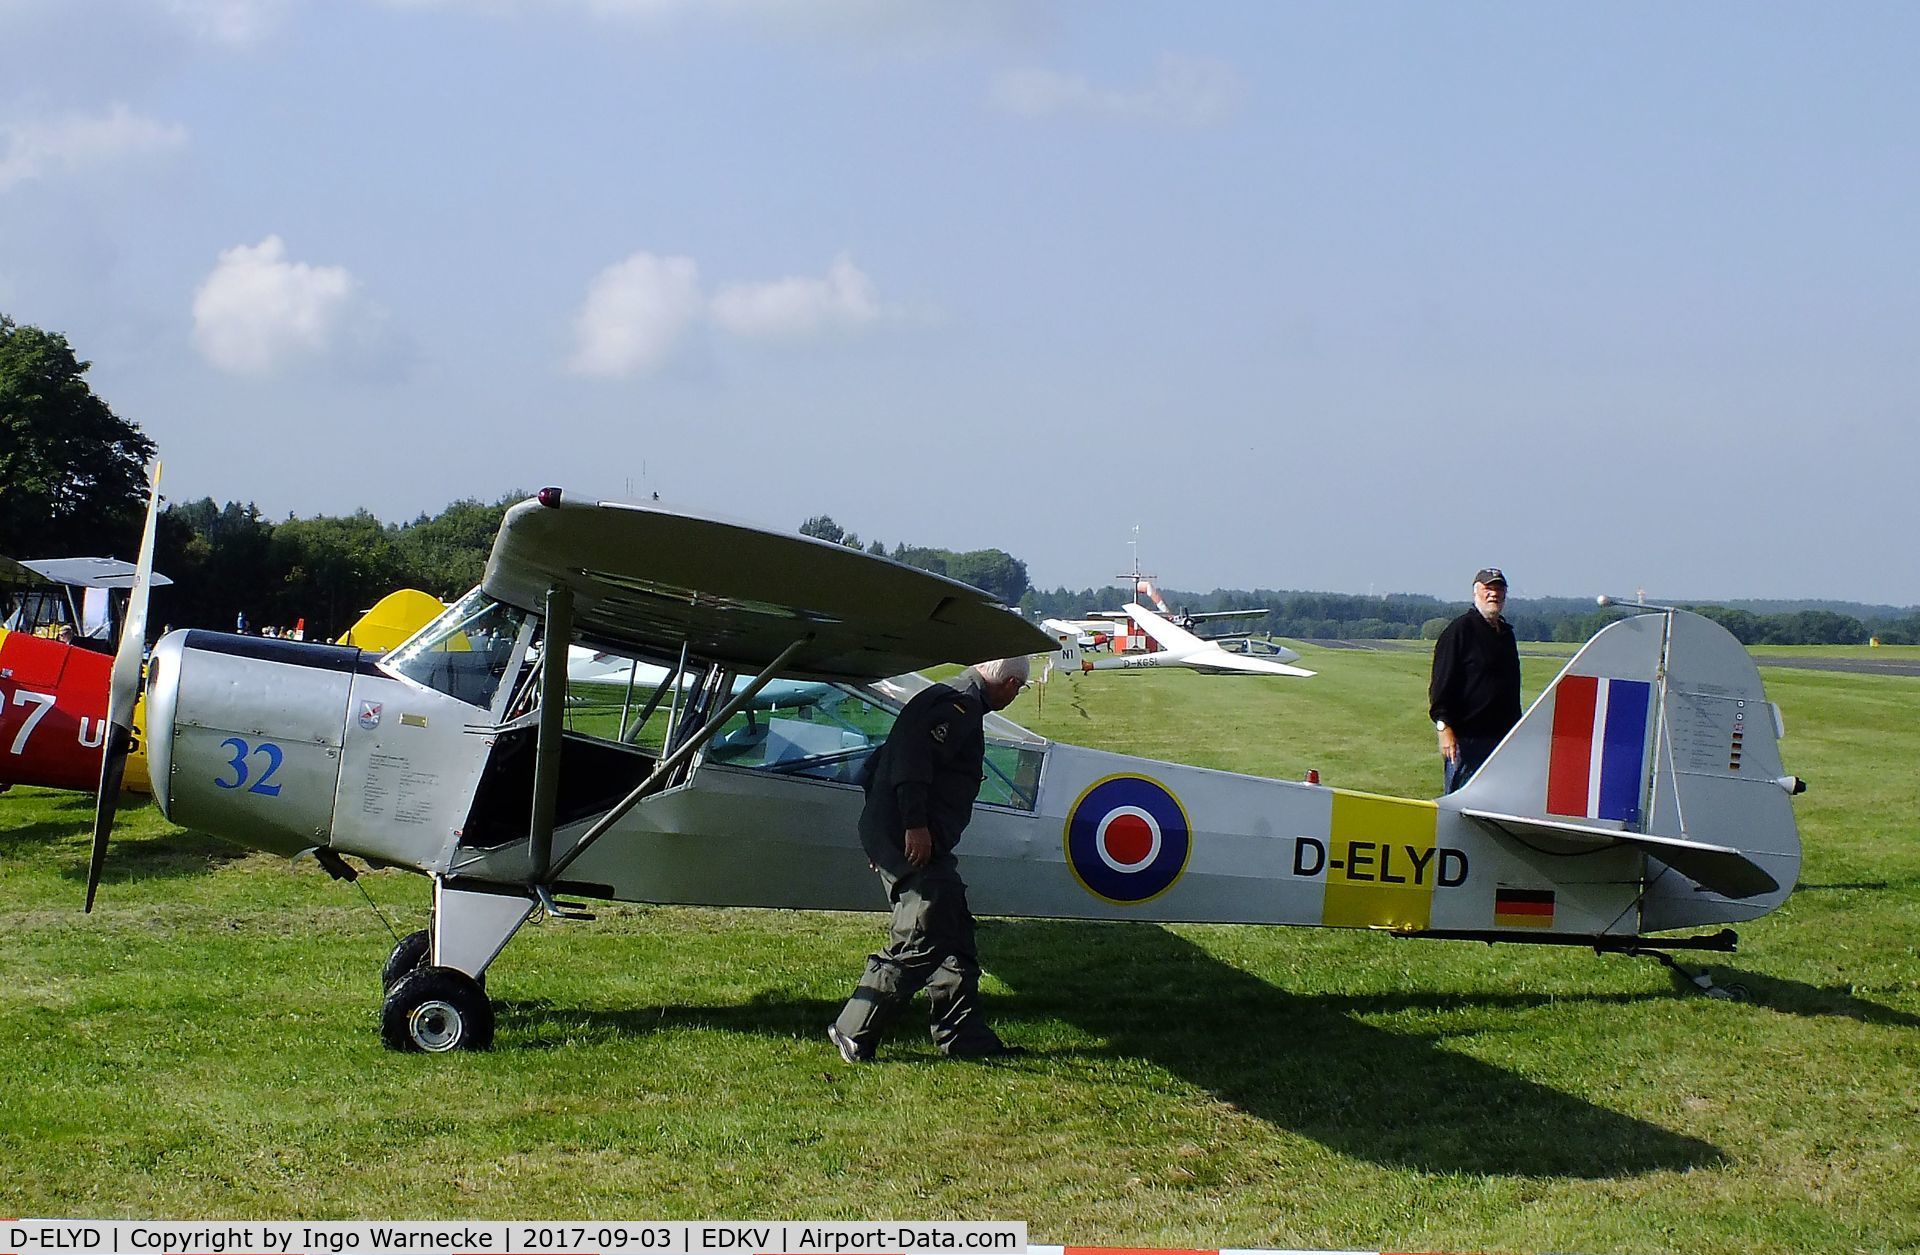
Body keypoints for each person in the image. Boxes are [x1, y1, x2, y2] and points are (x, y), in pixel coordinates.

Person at [829, 655, 1031, 1063]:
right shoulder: (957, 706)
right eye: (1019, 690)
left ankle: (963, 1038)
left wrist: (883, 834)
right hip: (915, 836)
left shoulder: (949, 698)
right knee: (924, 932)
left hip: (903, 833)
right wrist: (910, 827)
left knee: (954, 931)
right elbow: (911, 763)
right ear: (1009, 685)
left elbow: (878, 762)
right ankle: (852, 1028)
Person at [1428, 567, 1522, 794]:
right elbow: (1441, 684)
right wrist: (1444, 728)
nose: (1494, 594)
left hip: (1501, 739)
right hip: (1466, 739)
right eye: (1488, 588)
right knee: (1462, 799)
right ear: (1475, 592)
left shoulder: (1506, 634)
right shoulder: (1459, 631)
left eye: (1499, 589)